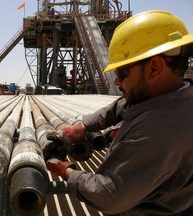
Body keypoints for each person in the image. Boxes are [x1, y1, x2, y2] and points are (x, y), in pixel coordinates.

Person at [46, 10, 193, 215]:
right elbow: (122, 105)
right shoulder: (172, 93)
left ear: (154, 68)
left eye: (122, 73)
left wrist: (67, 170)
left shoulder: (158, 130)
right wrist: (85, 125)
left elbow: (108, 194)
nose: (116, 81)